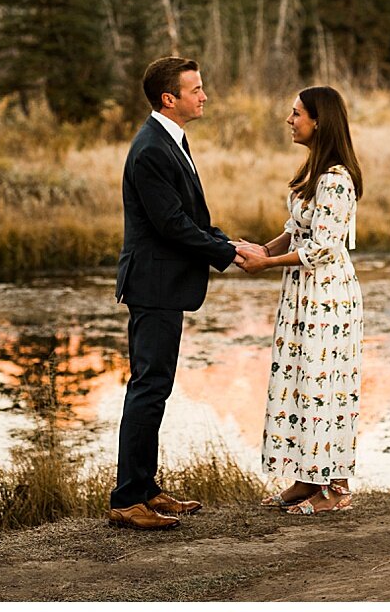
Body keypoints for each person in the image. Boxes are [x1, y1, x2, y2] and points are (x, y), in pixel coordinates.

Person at [108, 56, 266, 530]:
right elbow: (171, 225)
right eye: (195, 89)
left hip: (163, 284)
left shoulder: (171, 140)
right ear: (168, 99)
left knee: (154, 387)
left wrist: (228, 241)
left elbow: (188, 217)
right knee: (148, 388)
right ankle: (127, 499)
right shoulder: (152, 148)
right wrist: (228, 252)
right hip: (153, 284)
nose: (204, 96)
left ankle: (147, 489)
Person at [234, 85, 363, 515]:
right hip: (302, 294)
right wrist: (263, 250)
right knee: (303, 381)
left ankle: (337, 487)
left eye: (296, 114)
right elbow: (296, 230)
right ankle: (308, 478)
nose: (290, 120)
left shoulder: (337, 179)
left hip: (326, 295)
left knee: (326, 383)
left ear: (318, 121)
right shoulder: (314, 172)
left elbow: (322, 247)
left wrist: (267, 266)